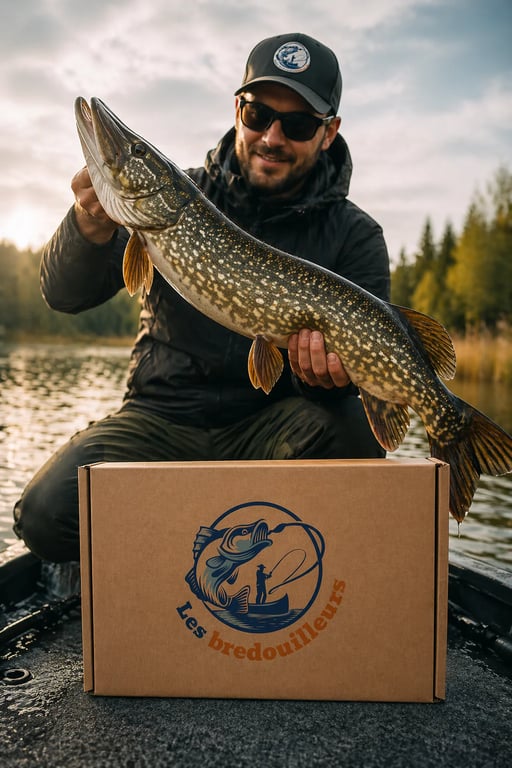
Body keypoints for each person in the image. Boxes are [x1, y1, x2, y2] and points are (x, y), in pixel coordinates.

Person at [13, 33, 390, 563]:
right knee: (47, 515)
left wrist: (323, 379)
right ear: (238, 109)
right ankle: (177, 563)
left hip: (273, 425)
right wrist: (87, 226)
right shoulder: (169, 202)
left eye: (299, 123)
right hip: (160, 417)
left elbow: (350, 388)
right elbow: (63, 295)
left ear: (329, 133)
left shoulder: (355, 237)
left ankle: (241, 556)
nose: (272, 136)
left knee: (355, 440)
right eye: (259, 114)